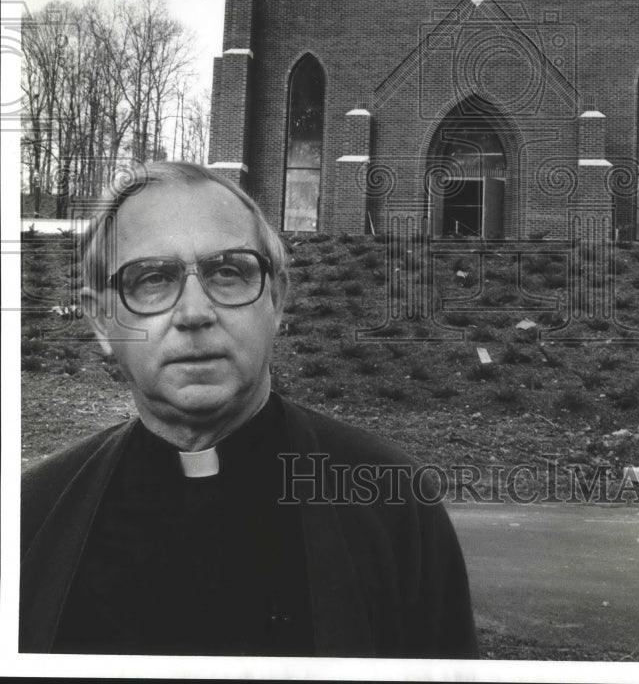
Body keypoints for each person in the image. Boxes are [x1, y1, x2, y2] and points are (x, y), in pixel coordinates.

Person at [19, 162, 478, 658]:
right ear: (103, 322)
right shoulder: (31, 516)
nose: (195, 312)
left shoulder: (393, 503)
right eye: (152, 279)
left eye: (228, 272)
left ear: (276, 300)